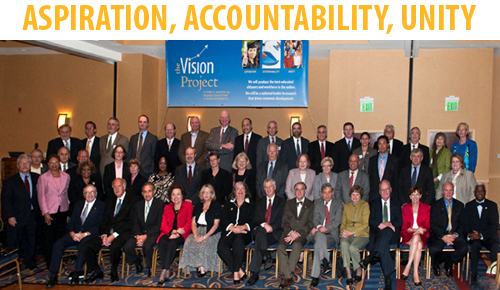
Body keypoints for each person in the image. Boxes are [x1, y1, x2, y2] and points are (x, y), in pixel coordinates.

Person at [46, 184, 106, 287]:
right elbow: (71, 222)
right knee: (57, 245)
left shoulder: (101, 205)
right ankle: (53, 274)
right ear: (83, 194)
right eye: (87, 192)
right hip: (75, 233)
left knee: (83, 246)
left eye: (92, 192)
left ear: (96, 194)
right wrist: (72, 233)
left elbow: (100, 225)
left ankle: (77, 273)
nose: (89, 195)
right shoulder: (78, 204)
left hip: (90, 234)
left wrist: (84, 234)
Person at [83, 178, 136, 284]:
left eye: (119, 186)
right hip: (107, 233)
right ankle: (97, 271)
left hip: (123, 232)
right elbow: (103, 220)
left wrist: (113, 235)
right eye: (114, 187)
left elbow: (130, 222)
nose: (117, 189)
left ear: (124, 187)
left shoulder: (132, 199)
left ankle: (114, 271)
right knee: (86, 246)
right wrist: (104, 235)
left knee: (115, 246)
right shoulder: (109, 200)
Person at [359, 180, 402, 290]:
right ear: (379, 192)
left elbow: (399, 221)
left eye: (387, 189)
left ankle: (370, 258)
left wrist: (388, 224)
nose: (385, 192)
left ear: (391, 190)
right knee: (384, 248)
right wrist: (379, 225)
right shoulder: (373, 203)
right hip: (378, 234)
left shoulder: (397, 203)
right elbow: (371, 221)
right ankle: (388, 280)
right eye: (382, 190)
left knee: (387, 231)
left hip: (391, 235)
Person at [2, 154, 40, 270]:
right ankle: (12, 265)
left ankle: (30, 262)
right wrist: (10, 216)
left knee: (31, 240)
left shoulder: (37, 177)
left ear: (30, 165)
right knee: (15, 242)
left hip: (32, 215)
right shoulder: (10, 181)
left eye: (27, 163)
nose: (25, 165)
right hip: (16, 217)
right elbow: (6, 201)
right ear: (18, 166)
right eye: (22, 163)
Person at [247, 178, 285, 286]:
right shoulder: (259, 202)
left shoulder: (281, 202)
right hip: (262, 231)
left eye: (270, 186)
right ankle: (265, 255)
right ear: (264, 189)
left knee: (259, 239)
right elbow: (256, 218)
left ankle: (255, 273)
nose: (268, 189)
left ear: (274, 187)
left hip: (273, 233)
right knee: (260, 232)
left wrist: (271, 227)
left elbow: (282, 219)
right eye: (266, 187)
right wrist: (264, 225)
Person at [179, 184, 223, 277]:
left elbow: (216, 225)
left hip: (212, 232)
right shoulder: (198, 206)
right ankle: (194, 266)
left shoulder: (216, 205)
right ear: (201, 194)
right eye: (204, 192)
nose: (206, 194)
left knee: (204, 244)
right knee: (189, 242)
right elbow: (193, 223)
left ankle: (202, 267)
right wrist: (195, 235)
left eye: (208, 192)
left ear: (212, 194)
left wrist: (204, 237)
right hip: (198, 230)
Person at [277, 182, 314, 289]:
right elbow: (284, 221)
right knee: (280, 247)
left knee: (297, 245)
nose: (299, 191)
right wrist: (291, 232)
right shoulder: (289, 203)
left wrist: (297, 233)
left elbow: (310, 224)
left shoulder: (311, 204)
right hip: (288, 233)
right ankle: (288, 276)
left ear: (305, 191)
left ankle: (287, 276)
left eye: (301, 189)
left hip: (302, 235)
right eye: (297, 189)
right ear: (294, 191)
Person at [123, 183, 164, 277]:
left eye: (149, 191)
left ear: (154, 192)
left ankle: (149, 266)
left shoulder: (160, 204)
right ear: (142, 193)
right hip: (140, 233)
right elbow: (136, 223)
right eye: (145, 192)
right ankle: (137, 261)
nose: (147, 194)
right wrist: (137, 236)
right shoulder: (138, 205)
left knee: (147, 246)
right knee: (127, 247)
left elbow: (159, 225)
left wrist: (146, 236)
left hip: (153, 233)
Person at [217, 182, 255, 284]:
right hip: (230, 231)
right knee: (221, 247)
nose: (240, 191)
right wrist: (233, 228)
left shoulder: (251, 203)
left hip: (244, 232)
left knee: (238, 242)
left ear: (246, 191)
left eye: (242, 189)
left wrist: (242, 227)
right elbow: (224, 219)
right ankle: (238, 270)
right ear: (234, 192)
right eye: (238, 189)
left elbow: (254, 220)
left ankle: (235, 273)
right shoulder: (229, 203)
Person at [37, 154, 70, 269]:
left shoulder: (66, 176)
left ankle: (59, 261)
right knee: (49, 238)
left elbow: (66, 194)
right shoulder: (43, 178)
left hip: (63, 210)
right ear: (48, 164)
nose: (54, 164)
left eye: (56, 162)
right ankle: (50, 262)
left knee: (60, 238)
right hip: (50, 211)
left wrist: (68, 211)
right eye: (51, 162)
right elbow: (41, 196)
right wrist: (45, 213)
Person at [429, 182, 467, 278]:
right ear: (442, 192)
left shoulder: (460, 205)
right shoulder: (435, 205)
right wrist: (443, 236)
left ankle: (449, 264)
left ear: (453, 192)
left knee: (463, 249)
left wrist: (455, 235)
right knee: (434, 250)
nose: (448, 193)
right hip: (441, 234)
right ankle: (436, 264)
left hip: (455, 234)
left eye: (450, 190)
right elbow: (433, 224)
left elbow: (462, 224)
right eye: (446, 190)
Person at [462, 183, 499, 284]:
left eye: (482, 191)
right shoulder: (468, 206)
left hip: (488, 236)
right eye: (478, 191)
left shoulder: (492, 205)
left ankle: (496, 270)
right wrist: (470, 234)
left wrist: (481, 234)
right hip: (474, 237)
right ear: (474, 193)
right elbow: (465, 224)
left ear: (485, 193)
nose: (480, 193)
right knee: (474, 246)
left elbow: (494, 226)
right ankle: (474, 274)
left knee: (495, 245)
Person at [156, 184, 193, 285]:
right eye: (173, 195)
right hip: (169, 232)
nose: (176, 197)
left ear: (182, 195)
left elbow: (189, 223)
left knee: (172, 244)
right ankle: (166, 269)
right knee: (162, 242)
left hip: (182, 234)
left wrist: (178, 233)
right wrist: (172, 231)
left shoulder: (188, 205)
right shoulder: (167, 207)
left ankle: (164, 270)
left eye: (178, 194)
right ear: (170, 196)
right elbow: (163, 225)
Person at [310, 184, 343, 287]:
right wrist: (319, 227)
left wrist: (325, 228)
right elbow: (315, 218)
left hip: (331, 235)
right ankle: (324, 260)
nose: (327, 195)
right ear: (321, 194)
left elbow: (337, 222)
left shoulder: (338, 204)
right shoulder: (317, 202)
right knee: (319, 236)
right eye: (325, 192)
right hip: (318, 232)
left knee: (318, 245)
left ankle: (316, 276)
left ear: (332, 193)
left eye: (329, 192)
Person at [400, 186, 430, 286]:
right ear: (409, 196)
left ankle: (408, 267)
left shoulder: (427, 208)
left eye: (417, 194)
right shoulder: (405, 208)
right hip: (408, 234)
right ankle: (415, 273)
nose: (415, 197)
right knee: (417, 243)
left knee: (417, 238)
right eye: (413, 194)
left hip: (422, 234)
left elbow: (428, 225)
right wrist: (413, 230)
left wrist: (422, 229)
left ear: (421, 196)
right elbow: (404, 226)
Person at [339, 185, 370, 285]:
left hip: (362, 234)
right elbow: (343, 223)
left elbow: (366, 225)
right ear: (350, 195)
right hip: (347, 234)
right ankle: (348, 271)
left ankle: (358, 269)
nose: (355, 197)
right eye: (353, 194)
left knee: (352, 248)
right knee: (343, 244)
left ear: (360, 195)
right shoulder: (347, 206)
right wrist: (343, 232)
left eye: (357, 194)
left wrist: (352, 233)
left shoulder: (365, 205)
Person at [368, 136, 399, 201]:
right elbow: (370, 178)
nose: (382, 146)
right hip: (374, 195)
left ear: (388, 145)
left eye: (384, 143)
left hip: (389, 195)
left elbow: (396, 179)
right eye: (380, 143)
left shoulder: (395, 160)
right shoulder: (372, 160)